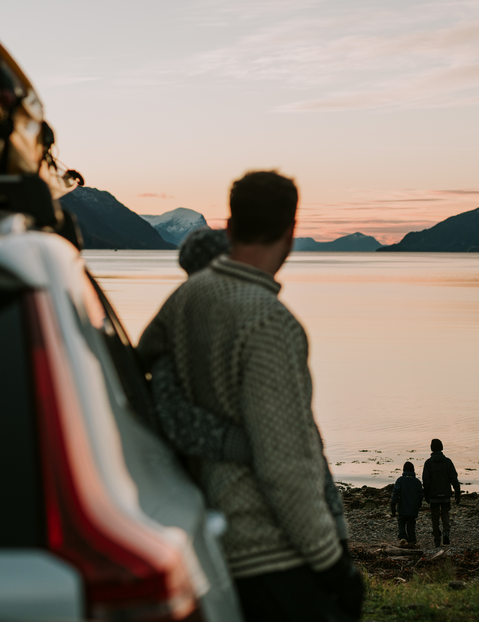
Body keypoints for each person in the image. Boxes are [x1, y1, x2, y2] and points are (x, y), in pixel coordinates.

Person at [138, 171, 364, 622]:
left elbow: (144, 360)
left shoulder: (186, 297)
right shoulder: (269, 323)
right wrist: (333, 564)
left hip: (216, 540)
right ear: (289, 231)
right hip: (273, 551)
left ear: (231, 223)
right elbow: (285, 465)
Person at [140, 226, 350, 545]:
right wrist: (262, 444)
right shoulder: (175, 344)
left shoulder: (259, 334)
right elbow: (177, 422)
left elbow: (305, 437)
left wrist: (336, 522)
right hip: (222, 519)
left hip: (272, 515)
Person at [422, 438, 461, 548]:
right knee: (445, 514)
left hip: (433, 495)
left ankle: (436, 539)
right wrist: (457, 492)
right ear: (442, 447)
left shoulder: (428, 463)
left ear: (431, 448)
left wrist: (426, 494)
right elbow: (453, 478)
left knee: (434, 516)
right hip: (446, 494)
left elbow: (426, 481)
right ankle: (446, 533)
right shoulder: (447, 462)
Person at [389, 462, 423, 546]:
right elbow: (421, 495)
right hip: (413, 507)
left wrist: (393, 504)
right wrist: (418, 505)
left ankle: (403, 537)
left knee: (401, 521)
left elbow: (396, 493)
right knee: (411, 523)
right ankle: (411, 539)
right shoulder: (417, 482)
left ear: (403, 470)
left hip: (402, 507)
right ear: (413, 470)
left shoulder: (400, 480)